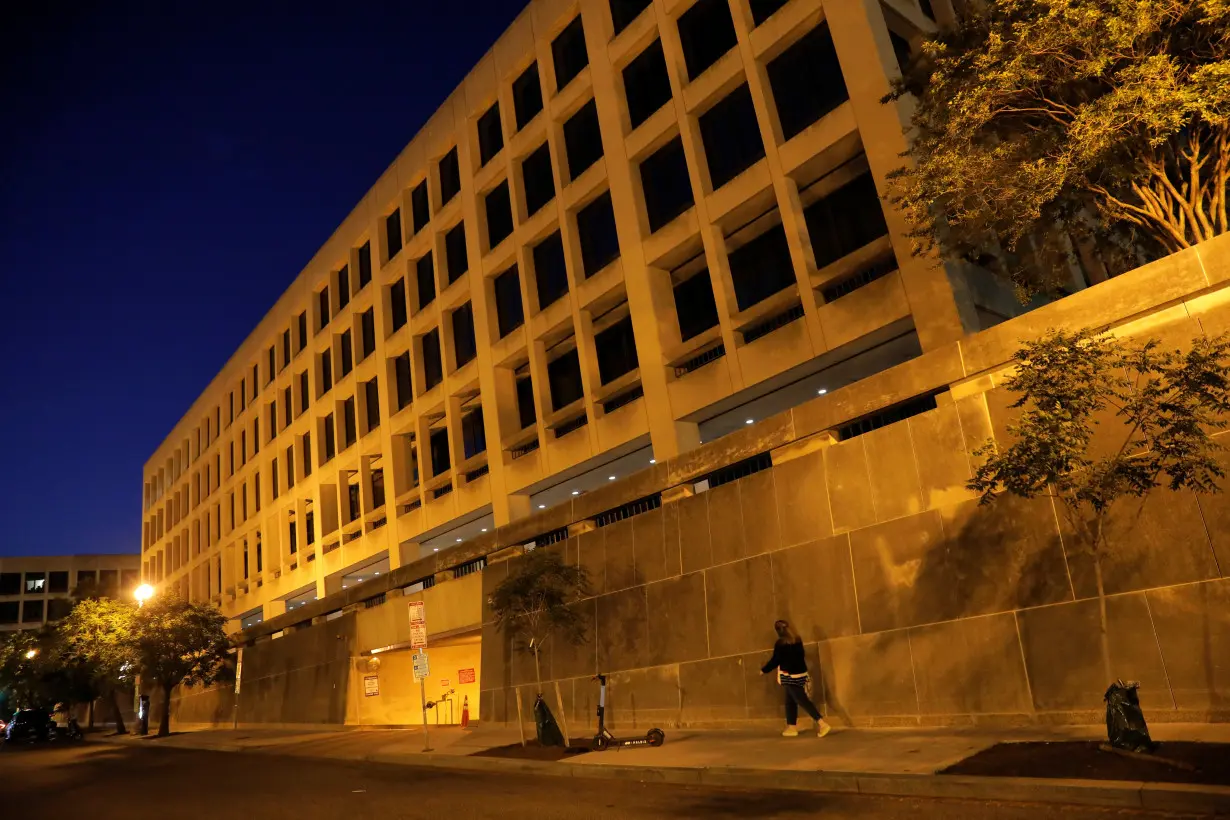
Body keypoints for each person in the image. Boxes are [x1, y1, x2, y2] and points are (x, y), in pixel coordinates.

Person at [761, 620, 831, 738]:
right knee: (790, 700)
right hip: (800, 674)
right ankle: (791, 726)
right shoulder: (797, 640)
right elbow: (801, 656)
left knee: (801, 700)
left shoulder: (781, 643)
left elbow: (775, 660)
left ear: (778, 631)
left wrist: (764, 670)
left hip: (789, 676)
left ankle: (822, 723)